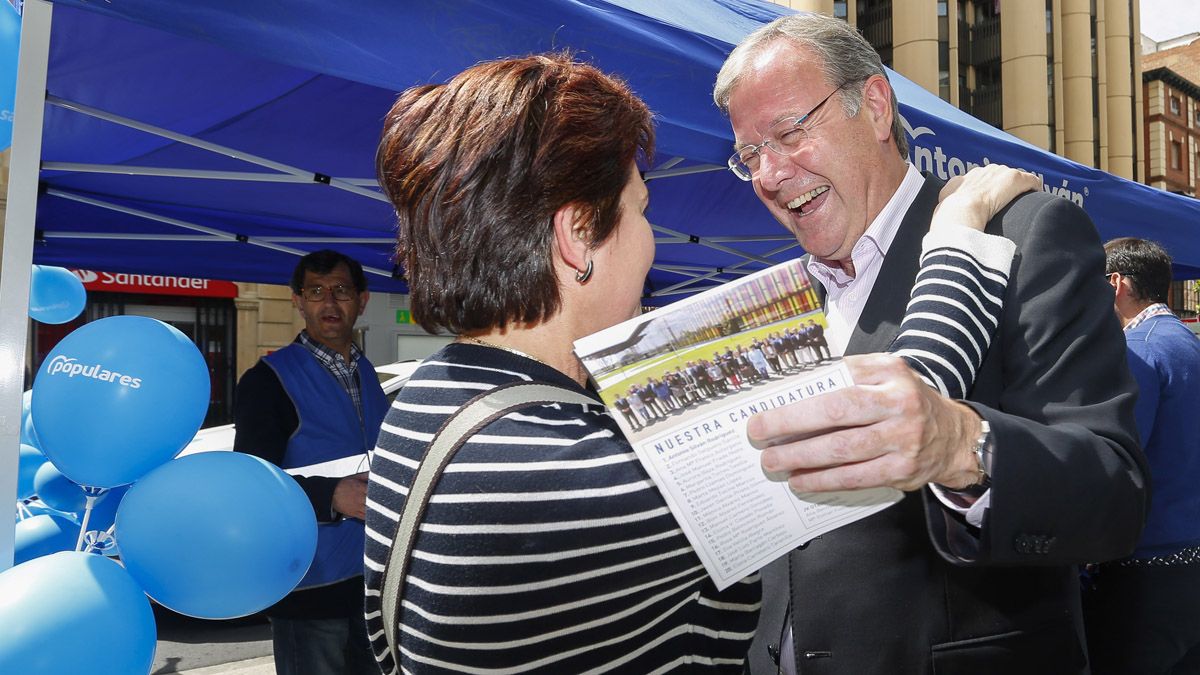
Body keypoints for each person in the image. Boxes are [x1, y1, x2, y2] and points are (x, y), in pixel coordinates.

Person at [362, 51, 1028, 675]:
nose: (650, 242)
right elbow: (901, 416)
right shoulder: (582, 477)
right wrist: (958, 232)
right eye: (640, 211)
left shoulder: (421, 406)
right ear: (576, 239)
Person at [714, 13, 1148, 674]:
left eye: (789, 132)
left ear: (877, 106)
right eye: (750, 154)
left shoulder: (1020, 235)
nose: (770, 173)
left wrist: (961, 446)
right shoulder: (772, 302)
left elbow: (1113, 494)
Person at [233, 249, 386, 675]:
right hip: (309, 587)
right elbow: (249, 484)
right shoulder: (267, 381)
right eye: (316, 292)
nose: (330, 303)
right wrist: (331, 495)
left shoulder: (367, 372)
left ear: (362, 299)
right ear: (297, 301)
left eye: (341, 291)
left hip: (371, 586)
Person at [1083, 237, 1200, 673]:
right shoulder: (1185, 342)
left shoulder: (1139, 349)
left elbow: (1120, 464)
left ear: (1115, 283)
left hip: (1148, 574)